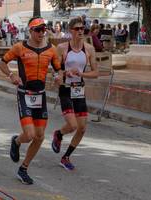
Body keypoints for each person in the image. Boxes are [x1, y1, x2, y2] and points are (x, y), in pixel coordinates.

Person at [0, 17, 62, 184]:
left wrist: (58, 77)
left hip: (40, 95)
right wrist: (12, 75)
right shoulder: (20, 47)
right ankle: (17, 141)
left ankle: (23, 168)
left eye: (44, 29)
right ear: (30, 31)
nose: (42, 32)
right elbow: (2, 63)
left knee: (39, 136)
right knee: (30, 134)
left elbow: (58, 69)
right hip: (24, 94)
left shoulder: (52, 49)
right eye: (38, 29)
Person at [52, 17, 98, 171]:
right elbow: (56, 70)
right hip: (65, 89)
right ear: (71, 31)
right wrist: (63, 74)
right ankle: (59, 134)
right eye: (77, 29)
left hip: (79, 89)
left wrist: (82, 74)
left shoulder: (89, 49)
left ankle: (66, 157)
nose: (81, 31)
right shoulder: (62, 48)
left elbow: (96, 72)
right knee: (72, 125)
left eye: (82, 28)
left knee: (82, 128)